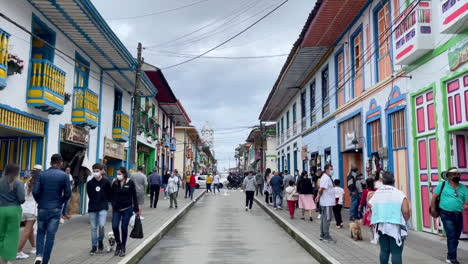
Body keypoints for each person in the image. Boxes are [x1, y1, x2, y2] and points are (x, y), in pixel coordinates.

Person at [33, 154, 71, 264]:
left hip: (42, 207)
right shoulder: (64, 175)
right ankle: (45, 261)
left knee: (40, 232)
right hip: (55, 209)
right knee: (50, 236)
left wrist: (39, 201)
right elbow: (68, 193)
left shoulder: (41, 174)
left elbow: (35, 191)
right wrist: (61, 202)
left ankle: (39, 255)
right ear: (61, 163)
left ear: (50, 163)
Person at [369, 171, 411, 264]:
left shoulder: (377, 193)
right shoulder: (399, 193)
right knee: (396, 253)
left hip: (381, 225)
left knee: (384, 251)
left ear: (383, 181)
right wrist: (406, 220)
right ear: (394, 181)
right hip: (395, 226)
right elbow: (405, 211)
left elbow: (370, 204)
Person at [430, 167, 468, 264]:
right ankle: (452, 259)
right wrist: (433, 209)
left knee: (456, 237)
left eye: (458, 174)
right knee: (451, 235)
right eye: (454, 174)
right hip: (445, 213)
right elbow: (434, 197)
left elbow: (466, 202)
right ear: (449, 176)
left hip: (458, 214)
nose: (457, 176)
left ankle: (450, 255)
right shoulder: (442, 185)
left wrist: (466, 205)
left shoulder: (463, 188)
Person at [110, 167, 139, 257]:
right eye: (117, 174)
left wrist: (136, 209)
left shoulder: (130, 183)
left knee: (123, 227)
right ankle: (118, 243)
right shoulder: (115, 183)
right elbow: (111, 195)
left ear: (124, 174)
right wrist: (113, 204)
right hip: (117, 209)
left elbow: (134, 196)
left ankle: (123, 246)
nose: (118, 176)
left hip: (127, 208)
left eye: (119, 174)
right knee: (114, 226)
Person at [0, 164, 25, 264]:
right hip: (13, 210)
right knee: (11, 236)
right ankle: (6, 260)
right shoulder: (18, 182)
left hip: (1, 209)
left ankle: (2, 259)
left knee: (1, 234)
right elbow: (22, 199)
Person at [86, 163, 111, 255]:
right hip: (92, 207)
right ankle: (94, 246)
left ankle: (100, 241)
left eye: (97, 171)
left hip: (103, 207)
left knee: (101, 225)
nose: (95, 173)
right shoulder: (89, 183)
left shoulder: (107, 182)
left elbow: (109, 194)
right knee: (93, 228)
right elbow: (89, 195)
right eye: (94, 171)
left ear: (101, 171)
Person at [17, 165, 41, 259]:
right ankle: (18, 251)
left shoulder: (27, 182)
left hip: (23, 208)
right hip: (32, 209)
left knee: (29, 229)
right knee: (27, 230)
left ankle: (34, 247)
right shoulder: (39, 182)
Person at [315, 164, 336, 243]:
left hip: (327, 202)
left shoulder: (326, 177)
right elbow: (321, 189)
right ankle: (326, 235)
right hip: (327, 202)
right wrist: (318, 196)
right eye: (331, 169)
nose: (332, 170)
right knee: (327, 218)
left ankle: (323, 234)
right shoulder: (326, 178)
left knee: (324, 218)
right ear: (327, 169)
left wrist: (318, 196)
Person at [360, 177, 376, 244]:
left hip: (369, 209)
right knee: (376, 223)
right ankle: (376, 237)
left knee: (370, 224)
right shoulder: (376, 190)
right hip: (375, 208)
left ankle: (373, 238)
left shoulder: (365, 191)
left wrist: (360, 207)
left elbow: (362, 200)